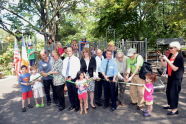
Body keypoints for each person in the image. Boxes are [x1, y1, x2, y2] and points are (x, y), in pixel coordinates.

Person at [160, 41, 184, 115]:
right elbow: (165, 65)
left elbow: (175, 68)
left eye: (171, 48)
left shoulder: (179, 57)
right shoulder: (171, 54)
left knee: (173, 93)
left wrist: (167, 60)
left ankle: (175, 109)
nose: (169, 49)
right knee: (168, 91)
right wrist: (162, 59)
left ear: (176, 48)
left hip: (176, 77)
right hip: (170, 76)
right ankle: (171, 105)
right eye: (169, 48)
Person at [62, 47, 80, 112]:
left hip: (73, 78)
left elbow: (77, 70)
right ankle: (72, 105)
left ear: (72, 51)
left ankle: (77, 106)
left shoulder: (76, 59)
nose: (68, 52)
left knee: (75, 92)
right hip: (67, 78)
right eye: (67, 51)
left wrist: (71, 77)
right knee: (70, 93)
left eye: (70, 51)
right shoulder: (65, 60)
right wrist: (65, 77)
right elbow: (63, 69)